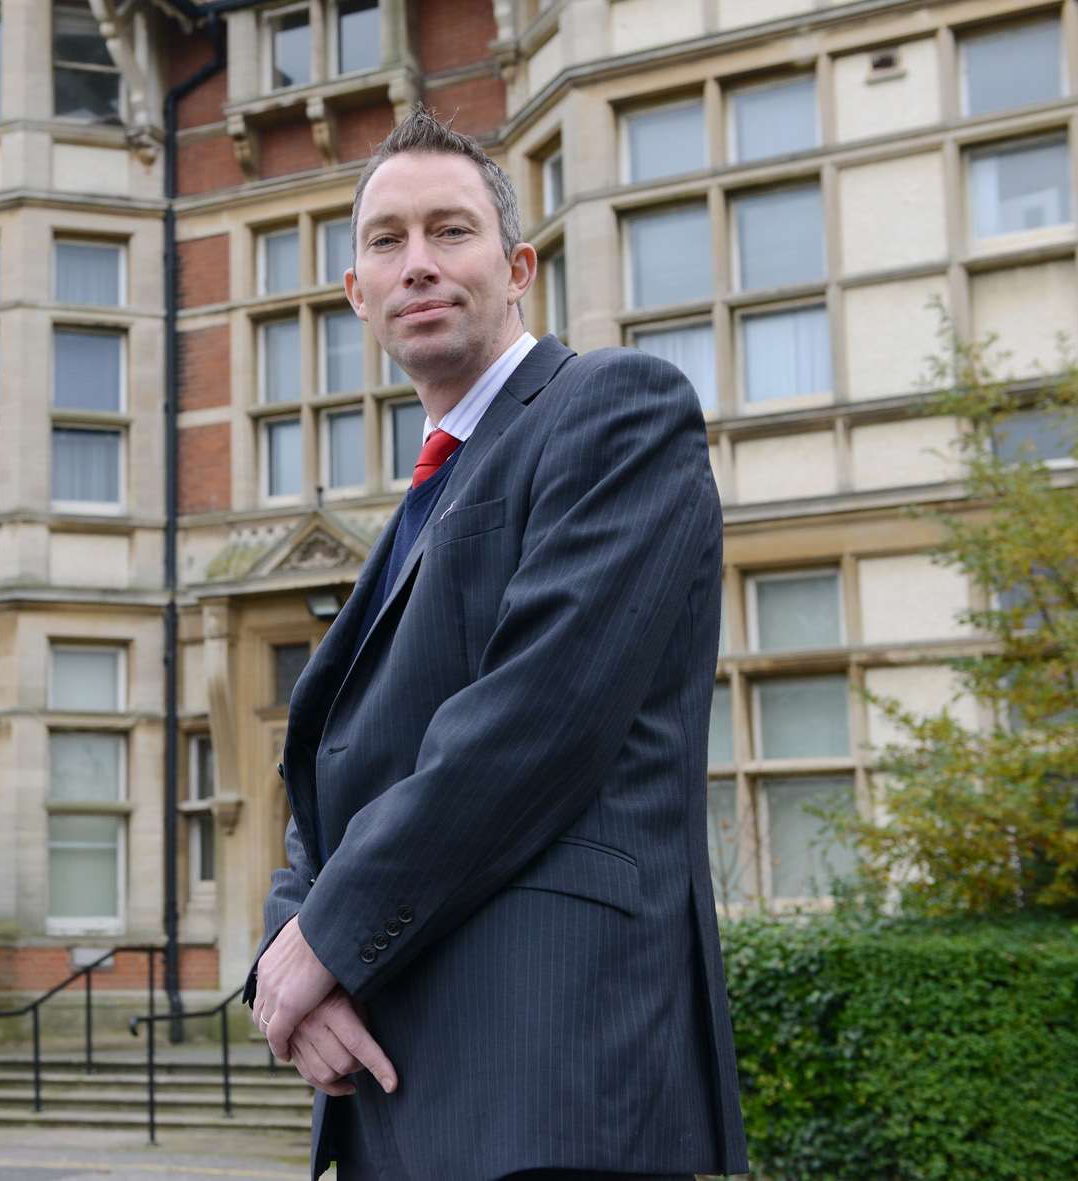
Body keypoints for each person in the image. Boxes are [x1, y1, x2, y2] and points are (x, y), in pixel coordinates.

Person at [242, 107, 750, 1181]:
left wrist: (323, 942)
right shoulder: (419, 502)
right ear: (355, 294)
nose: (417, 264)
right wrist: (290, 963)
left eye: (450, 231)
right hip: (398, 1076)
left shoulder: (610, 409)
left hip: (545, 1072)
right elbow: (328, 773)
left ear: (517, 266)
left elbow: (534, 720)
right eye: (386, 241)